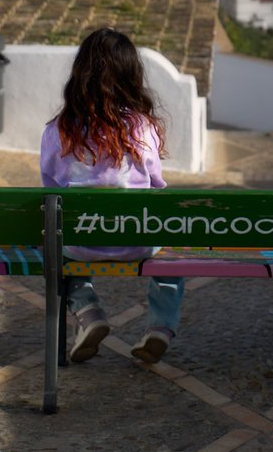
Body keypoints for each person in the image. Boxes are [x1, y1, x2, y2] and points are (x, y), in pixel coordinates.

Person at [40, 27, 184, 364]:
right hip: (137, 240)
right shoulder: (142, 127)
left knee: (59, 241)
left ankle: (88, 312)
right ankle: (160, 328)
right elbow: (155, 184)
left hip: (80, 243)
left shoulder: (59, 130)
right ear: (131, 76)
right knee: (172, 260)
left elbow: (50, 189)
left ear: (79, 75)